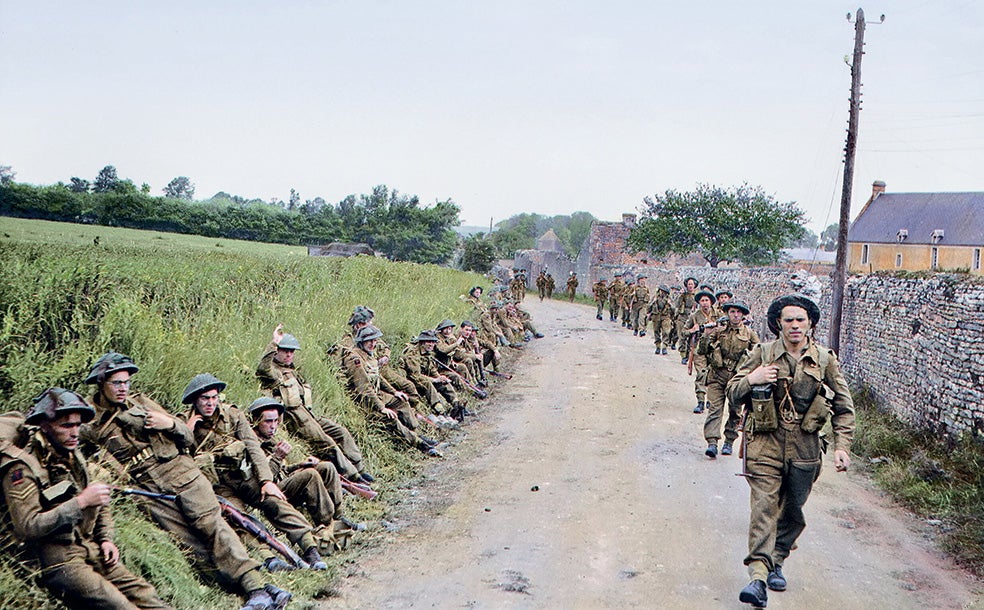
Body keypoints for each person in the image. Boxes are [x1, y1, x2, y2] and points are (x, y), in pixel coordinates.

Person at [79, 352, 290, 610]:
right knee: (190, 544)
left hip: (180, 471)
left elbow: (187, 438)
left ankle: (255, 587)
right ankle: (261, 591)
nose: (123, 388)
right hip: (147, 487)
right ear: (101, 383)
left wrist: (168, 423)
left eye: (126, 382)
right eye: (116, 383)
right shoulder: (89, 421)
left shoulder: (141, 402)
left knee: (212, 526)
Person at [727, 295, 855, 608]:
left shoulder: (824, 359)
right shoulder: (762, 353)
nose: (795, 325)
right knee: (764, 507)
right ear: (778, 324)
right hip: (765, 443)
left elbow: (843, 406)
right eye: (788, 320)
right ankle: (758, 577)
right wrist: (753, 378)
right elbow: (733, 391)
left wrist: (842, 446)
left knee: (793, 509)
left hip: (805, 446)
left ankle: (778, 559)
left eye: (800, 320)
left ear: (810, 323)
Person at [1, 388, 171, 610]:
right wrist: (80, 502)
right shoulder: (22, 469)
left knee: (147, 596)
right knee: (119, 605)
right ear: (44, 425)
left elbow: (99, 499)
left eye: (77, 425)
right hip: (58, 559)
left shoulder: (72, 454)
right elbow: (28, 526)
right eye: (66, 426)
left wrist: (106, 539)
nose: (75, 433)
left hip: (90, 547)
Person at [180, 374, 327, 572]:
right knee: (238, 518)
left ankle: (310, 548)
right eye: (205, 398)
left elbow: (253, 447)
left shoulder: (232, 415)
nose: (210, 403)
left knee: (275, 503)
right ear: (195, 400)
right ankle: (268, 558)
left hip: (246, 477)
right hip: (219, 486)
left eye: (214, 397)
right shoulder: (183, 422)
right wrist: (187, 432)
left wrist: (266, 481)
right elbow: (180, 459)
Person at [256, 325, 374, 484]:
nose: (289, 354)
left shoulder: (292, 371)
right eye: (285, 351)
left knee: (340, 432)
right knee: (327, 442)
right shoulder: (274, 372)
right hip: (297, 418)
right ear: (277, 351)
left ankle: (360, 468)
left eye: (292, 351)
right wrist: (274, 343)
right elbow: (263, 369)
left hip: (308, 414)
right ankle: (353, 476)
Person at [249, 398, 359, 552]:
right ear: (255, 421)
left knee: (326, 467)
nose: (273, 426)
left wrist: (300, 465)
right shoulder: (251, 444)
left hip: (282, 483)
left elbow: (283, 470)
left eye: (275, 421)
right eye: (267, 421)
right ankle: (326, 524)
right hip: (269, 494)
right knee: (310, 475)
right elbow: (263, 479)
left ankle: (338, 517)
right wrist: (277, 457)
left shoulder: (269, 439)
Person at [342, 326, 442, 456]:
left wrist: (394, 392)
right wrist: (382, 408)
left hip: (377, 393)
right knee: (391, 418)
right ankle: (420, 444)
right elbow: (364, 388)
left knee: (402, 402)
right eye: (369, 341)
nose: (373, 344)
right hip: (366, 400)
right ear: (361, 341)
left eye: (375, 340)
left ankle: (416, 433)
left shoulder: (369, 354)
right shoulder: (355, 358)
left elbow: (378, 377)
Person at [697, 301, 759, 458]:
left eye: (739, 312)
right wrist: (706, 335)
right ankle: (712, 442)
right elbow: (702, 350)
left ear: (743, 315)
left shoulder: (749, 334)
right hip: (717, 375)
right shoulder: (718, 331)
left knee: (735, 411)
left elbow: (759, 355)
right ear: (727, 313)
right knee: (714, 409)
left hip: (737, 379)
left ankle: (729, 441)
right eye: (732, 312)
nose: (735, 315)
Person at [400, 329, 470, 422]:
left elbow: (432, 369)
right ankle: (440, 412)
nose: (431, 344)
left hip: (425, 379)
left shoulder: (428, 353)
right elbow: (415, 376)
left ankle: (456, 405)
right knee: (428, 383)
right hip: (413, 383)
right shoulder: (412, 354)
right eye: (429, 342)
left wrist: (439, 377)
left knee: (444, 382)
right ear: (422, 342)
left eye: (433, 342)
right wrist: (434, 380)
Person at [685, 289, 717, 413]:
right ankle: (701, 401)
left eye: (706, 300)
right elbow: (684, 331)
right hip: (699, 349)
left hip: (715, 348)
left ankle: (711, 399)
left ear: (711, 302)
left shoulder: (718, 314)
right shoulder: (694, 316)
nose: (704, 303)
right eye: (702, 301)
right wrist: (692, 330)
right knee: (701, 374)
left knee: (713, 375)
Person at [648, 284, 675, 354]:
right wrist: (653, 302)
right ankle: (658, 346)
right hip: (656, 316)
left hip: (665, 317)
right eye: (661, 291)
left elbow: (674, 309)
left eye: (664, 291)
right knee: (656, 331)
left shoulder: (669, 299)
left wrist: (670, 304)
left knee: (666, 332)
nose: (662, 293)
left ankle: (664, 347)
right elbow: (648, 308)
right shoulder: (655, 297)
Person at [675, 277, 698, 354]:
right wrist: (680, 295)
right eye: (689, 284)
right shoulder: (683, 295)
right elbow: (677, 304)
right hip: (682, 318)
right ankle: (683, 354)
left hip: (693, 319)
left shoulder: (697, 296)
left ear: (694, 285)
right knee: (682, 336)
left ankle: (689, 354)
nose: (690, 286)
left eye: (692, 284)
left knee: (692, 338)